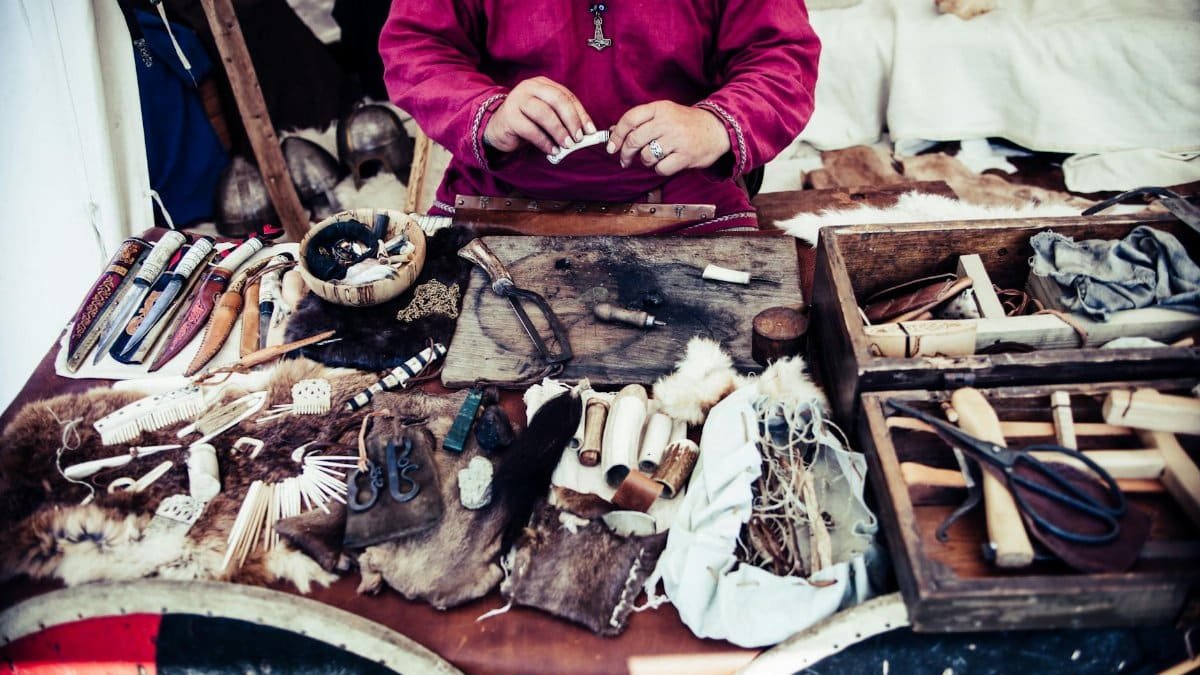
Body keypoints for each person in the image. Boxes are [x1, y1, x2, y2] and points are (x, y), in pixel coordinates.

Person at [379, 1, 820, 234]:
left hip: (682, 193)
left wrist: (714, 125)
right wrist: (491, 114)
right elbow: (417, 49)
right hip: (502, 193)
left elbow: (782, 58)